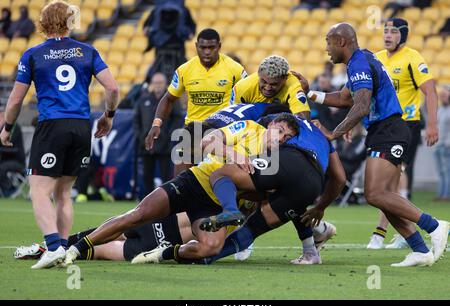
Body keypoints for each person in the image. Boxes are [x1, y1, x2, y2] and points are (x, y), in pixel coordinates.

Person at [292, 23, 449, 267]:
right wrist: (310, 94)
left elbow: (362, 106)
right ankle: (419, 249)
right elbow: (345, 99)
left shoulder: (359, 63)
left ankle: (435, 225)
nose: (326, 49)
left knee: (376, 194)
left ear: (341, 42)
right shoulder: (361, 60)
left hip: (389, 130)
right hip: (382, 131)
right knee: (382, 196)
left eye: (328, 42)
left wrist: (335, 132)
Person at [61, 114, 299, 267]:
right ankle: (75, 247)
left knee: (211, 247)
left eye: (287, 137)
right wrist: (234, 153)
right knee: (137, 216)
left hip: (212, 206)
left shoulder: (276, 162)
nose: (281, 139)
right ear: (270, 125)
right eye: (280, 131)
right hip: (193, 183)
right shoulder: (249, 128)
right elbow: (209, 142)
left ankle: (167, 253)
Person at [131, 114, 345, 265]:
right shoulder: (322, 135)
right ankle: (311, 249)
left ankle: (228, 213)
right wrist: (321, 206)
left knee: (223, 176)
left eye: (283, 135)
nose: (280, 138)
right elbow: (340, 179)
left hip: (292, 162)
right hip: (314, 182)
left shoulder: (275, 127)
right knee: (263, 211)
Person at [0, 0, 119, 269]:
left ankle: (53, 247)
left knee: (39, 191)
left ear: (43, 23)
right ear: (70, 22)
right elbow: (112, 89)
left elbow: (16, 101)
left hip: (53, 125)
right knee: (64, 192)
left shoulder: (32, 54)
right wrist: (108, 116)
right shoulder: (87, 51)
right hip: (80, 126)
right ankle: (63, 249)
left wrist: (7, 128)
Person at [366, 18, 439, 250]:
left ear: (404, 35)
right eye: (385, 31)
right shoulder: (376, 58)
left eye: (394, 32)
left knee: (388, 184)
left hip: (406, 126)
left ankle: (383, 233)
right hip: (382, 127)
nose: (388, 35)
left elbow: (430, 91)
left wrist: (433, 125)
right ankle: (403, 232)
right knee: (389, 185)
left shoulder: (413, 58)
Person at [145, 28, 246, 175]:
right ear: (196, 46)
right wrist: (156, 123)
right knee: (179, 180)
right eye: (203, 47)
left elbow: (249, 95)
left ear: (219, 46)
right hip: (194, 129)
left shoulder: (235, 69)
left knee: (218, 178)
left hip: (222, 130)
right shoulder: (185, 70)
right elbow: (168, 98)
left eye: (211, 47)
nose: (207, 52)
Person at [14, 213, 193, 262]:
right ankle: (49, 249)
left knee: (108, 230)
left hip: (157, 221)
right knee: (101, 248)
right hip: (162, 241)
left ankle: (49, 247)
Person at [134, 72, 184, 196]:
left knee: (166, 175)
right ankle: (145, 202)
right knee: (147, 175)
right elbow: (136, 120)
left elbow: (177, 119)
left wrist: (168, 136)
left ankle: (167, 200)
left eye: (160, 83)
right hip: (146, 143)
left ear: (166, 84)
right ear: (151, 84)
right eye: (155, 83)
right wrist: (141, 137)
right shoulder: (143, 99)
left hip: (165, 144)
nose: (158, 85)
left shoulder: (171, 101)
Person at [230, 55, 310, 119]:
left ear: (285, 78)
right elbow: (230, 118)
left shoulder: (293, 85)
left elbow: (304, 121)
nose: (268, 88)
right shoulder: (242, 88)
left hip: (281, 124)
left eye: (274, 84)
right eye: (264, 82)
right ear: (258, 73)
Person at [143, 0, 196, 81]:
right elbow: (191, 29)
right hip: (165, 50)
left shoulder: (157, 9)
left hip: (175, 50)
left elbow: (146, 28)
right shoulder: (183, 9)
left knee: (184, 75)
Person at [0, 108, 26, 197]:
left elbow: (10, 146)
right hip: (4, 159)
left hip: (17, 161)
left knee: (1, 168)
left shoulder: (13, 128)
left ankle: (11, 189)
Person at [433, 86, 450, 202]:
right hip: (438, 145)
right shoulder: (440, 109)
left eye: (445, 95)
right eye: (441, 95)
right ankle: (441, 194)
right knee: (440, 171)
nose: (443, 97)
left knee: (446, 171)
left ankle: (446, 195)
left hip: (446, 145)